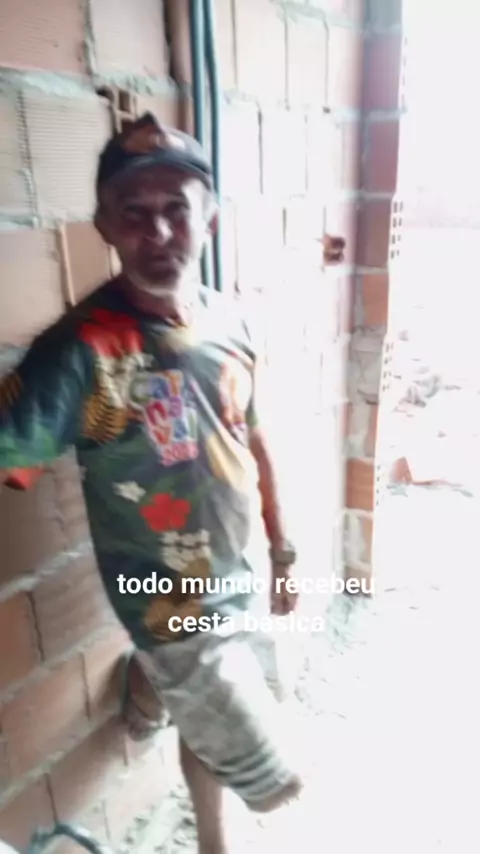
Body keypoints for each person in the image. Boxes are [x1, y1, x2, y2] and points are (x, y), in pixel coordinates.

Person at [0, 113, 302, 852]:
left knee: (211, 724)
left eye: (176, 209)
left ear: (210, 216)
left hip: (234, 571)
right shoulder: (80, 348)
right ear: (105, 225)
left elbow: (256, 438)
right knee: (280, 774)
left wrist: (283, 549)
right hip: (164, 600)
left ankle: (200, 813)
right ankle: (154, 673)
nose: (158, 232)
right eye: (133, 213)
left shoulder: (230, 321)